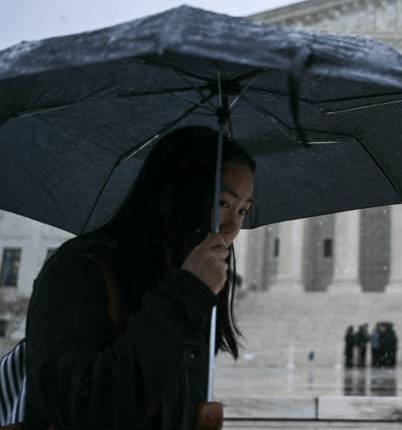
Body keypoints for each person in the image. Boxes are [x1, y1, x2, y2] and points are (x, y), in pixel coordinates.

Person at [24, 126, 255, 430]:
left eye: (242, 210)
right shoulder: (78, 271)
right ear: (175, 192)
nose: (230, 229)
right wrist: (184, 298)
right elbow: (85, 413)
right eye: (224, 203)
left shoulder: (179, 283)